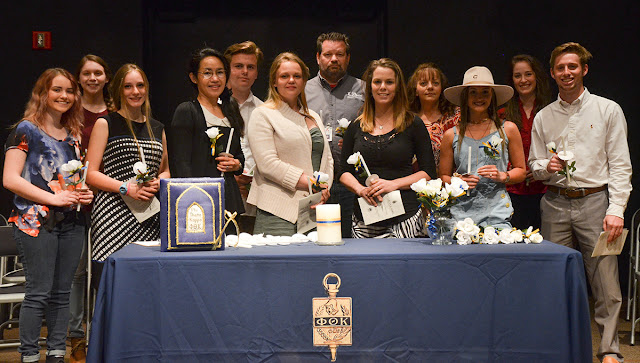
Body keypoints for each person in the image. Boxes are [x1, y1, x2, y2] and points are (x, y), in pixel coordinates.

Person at [529, 42, 631, 363]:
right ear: (553, 73)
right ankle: (555, 347)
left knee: (605, 281)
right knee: (551, 279)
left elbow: (621, 165)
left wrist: (616, 210)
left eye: (572, 67)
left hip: (595, 202)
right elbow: (533, 165)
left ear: (584, 70)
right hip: (555, 202)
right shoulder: (544, 116)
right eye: (560, 68)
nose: (567, 73)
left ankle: (610, 351)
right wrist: (548, 166)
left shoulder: (607, 109)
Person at [3, 68, 94, 363]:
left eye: (69, 91)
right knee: (39, 293)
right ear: (43, 93)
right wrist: (54, 198)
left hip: (71, 222)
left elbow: (70, 180)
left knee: (61, 294)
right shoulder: (26, 129)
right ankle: (29, 355)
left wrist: (82, 192)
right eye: (57, 90)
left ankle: (56, 354)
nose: (64, 96)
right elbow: (11, 179)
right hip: (35, 223)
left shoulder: (72, 136)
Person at [86, 64, 169, 282]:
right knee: (113, 282)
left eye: (140, 86)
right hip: (113, 213)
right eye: (128, 86)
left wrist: (160, 182)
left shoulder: (157, 127)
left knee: (146, 281)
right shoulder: (106, 123)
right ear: (119, 91)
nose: (135, 92)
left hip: (148, 214)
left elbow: (166, 169)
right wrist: (126, 188)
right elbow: (91, 173)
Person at [340, 58, 436, 238]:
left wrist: (393, 184)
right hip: (364, 219)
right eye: (377, 82)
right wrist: (360, 189)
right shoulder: (356, 126)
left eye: (389, 82)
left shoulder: (413, 124)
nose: (383, 87)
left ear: (398, 86)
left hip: (405, 218)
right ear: (369, 86)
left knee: (403, 267)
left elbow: (428, 172)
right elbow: (344, 172)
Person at [247, 52, 333, 236]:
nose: (291, 80)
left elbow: (328, 160)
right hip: (277, 213)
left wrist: (324, 189)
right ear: (274, 82)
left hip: (314, 210)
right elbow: (268, 164)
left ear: (304, 81)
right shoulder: (262, 114)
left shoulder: (314, 116)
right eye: (284, 76)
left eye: (297, 76)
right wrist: (312, 184)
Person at [67, 54, 114, 363]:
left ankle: (100, 333)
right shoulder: (70, 112)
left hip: (106, 204)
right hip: (74, 199)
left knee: (100, 270)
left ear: (106, 78)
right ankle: (75, 338)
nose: (93, 78)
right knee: (77, 272)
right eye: (87, 73)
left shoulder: (114, 114)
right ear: (79, 78)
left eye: (98, 72)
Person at [439, 66, 526, 228]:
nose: (479, 97)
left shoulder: (508, 129)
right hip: (460, 214)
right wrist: (457, 181)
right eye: (473, 92)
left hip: (497, 213)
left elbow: (521, 171)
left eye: (485, 92)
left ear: (492, 96)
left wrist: (503, 176)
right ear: (465, 96)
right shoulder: (451, 135)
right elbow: (443, 177)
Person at [168, 47, 245, 226]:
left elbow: (240, 157)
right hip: (199, 202)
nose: (215, 79)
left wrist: (236, 164)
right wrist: (193, 200)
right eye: (207, 73)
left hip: (229, 198)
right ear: (194, 77)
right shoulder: (187, 110)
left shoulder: (230, 109)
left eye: (220, 72)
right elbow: (181, 164)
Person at [305, 32, 365, 238]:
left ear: (347, 58)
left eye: (340, 54)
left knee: (350, 242)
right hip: (314, 182)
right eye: (328, 54)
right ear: (318, 57)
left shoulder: (364, 89)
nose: (334, 59)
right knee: (313, 241)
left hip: (352, 181)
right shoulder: (302, 91)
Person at [498, 55, 550, 229]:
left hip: (546, 190)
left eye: (528, 74)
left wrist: (540, 169)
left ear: (537, 76)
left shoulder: (551, 110)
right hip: (511, 191)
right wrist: (511, 170)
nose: (523, 80)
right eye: (517, 76)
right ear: (511, 80)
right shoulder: (502, 114)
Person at [224, 41, 264, 232]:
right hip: (221, 197)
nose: (245, 72)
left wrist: (251, 179)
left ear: (256, 73)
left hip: (256, 199)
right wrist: (233, 178)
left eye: (251, 67)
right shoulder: (213, 108)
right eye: (238, 66)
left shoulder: (265, 110)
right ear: (227, 70)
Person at [407, 62, 460, 169]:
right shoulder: (406, 119)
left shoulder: (456, 116)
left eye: (435, 83)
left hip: (452, 181)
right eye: (423, 83)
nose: (430, 87)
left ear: (441, 88)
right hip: (415, 181)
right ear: (415, 90)